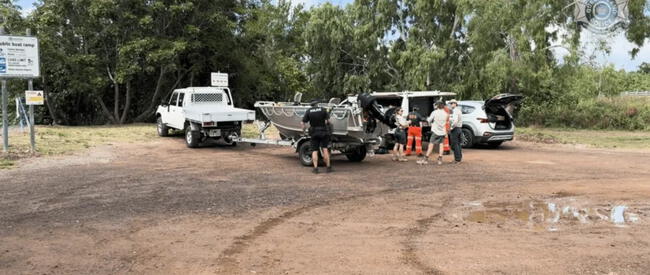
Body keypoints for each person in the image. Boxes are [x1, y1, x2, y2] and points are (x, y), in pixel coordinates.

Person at [301, 100, 332, 174]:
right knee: (325, 149)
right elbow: (328, 121)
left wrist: (304, 130)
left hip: (314, 133)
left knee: (314, 151)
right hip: (323, 132)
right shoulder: (323, 109)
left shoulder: (309, 111)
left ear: (311, 105)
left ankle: (315, 169)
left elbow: (302, 122)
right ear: (317, 104)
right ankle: (328, 167)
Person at [448, 99, 463, 163]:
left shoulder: (455, 111)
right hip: (458, 128)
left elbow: (455, 121)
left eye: (452, 103)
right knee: (458, 144)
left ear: (455, 104)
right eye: (451, 103)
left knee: (455, 144)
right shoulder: (457, 110)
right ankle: (459, 158)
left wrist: (451, 128)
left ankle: (457, 159)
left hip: (455, 128)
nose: (451, 104)